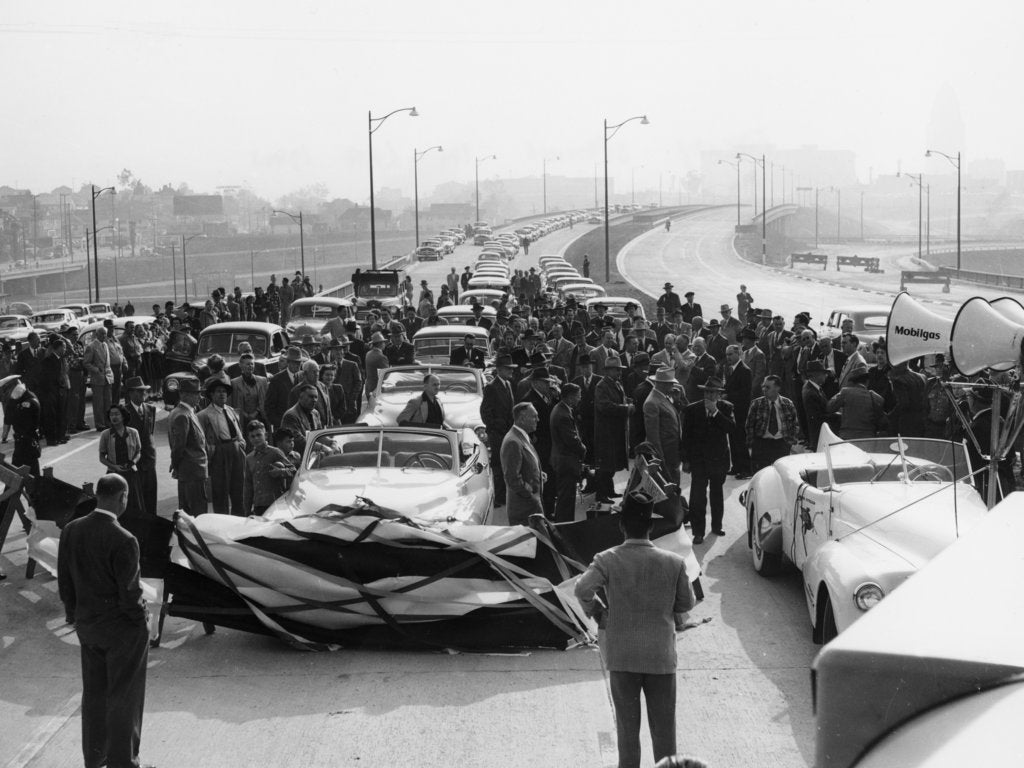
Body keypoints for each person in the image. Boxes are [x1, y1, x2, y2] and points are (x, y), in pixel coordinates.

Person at [574, 492, 696, 768]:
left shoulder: (607, 559)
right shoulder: (674, 562)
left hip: (623, 656)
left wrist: (597, 610)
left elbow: (582, 589)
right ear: (651, 526)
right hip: (660, 657)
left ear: (622, 526)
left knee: (627, 736)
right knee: (665, 735)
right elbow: (686, 603)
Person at [57, 474, 152, 768]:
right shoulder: (124, 539)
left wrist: (74, 616)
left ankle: (95, 758)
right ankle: (123, 762)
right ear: (122, 497)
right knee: (124, 696)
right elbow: (130, 594)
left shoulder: (71, 529)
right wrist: (143, 620)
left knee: (94, 695)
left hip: (88, 627)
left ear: (98, 495)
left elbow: (65, 581)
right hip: (122, 631)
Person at [681, 377, 734, 543]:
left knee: (717, 494)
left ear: (719, 395)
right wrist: (686, 460)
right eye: (707, 392)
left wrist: (715, 412)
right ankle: (698, 532)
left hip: (719, 459)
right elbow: (686, 437)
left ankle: (717, 526)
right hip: (699, 460)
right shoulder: (692, 409)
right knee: (698, 496)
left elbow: (731, 428)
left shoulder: (726, 407)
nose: (710, 395)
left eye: (713, 393)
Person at [197, 377, 247, 515]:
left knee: (239, 488)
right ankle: (222, 520)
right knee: (220, 491)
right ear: (211, 395)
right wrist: (212, 451)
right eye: (218, 391)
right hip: (219, 453)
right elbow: (201, 440)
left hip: (236, 450)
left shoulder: (231, 410)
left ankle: (239, 518)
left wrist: (241, 442)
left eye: (224, 391)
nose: (222, 394)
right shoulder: (204, 415)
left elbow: (238, 429)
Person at [593, 357, 633, 503]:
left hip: (615, 431)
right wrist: (625, 408)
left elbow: (617, 401)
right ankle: (601, 495)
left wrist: (627, 402)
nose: (619, 372)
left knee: (611, 464)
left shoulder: (616, 384)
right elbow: (604, 406)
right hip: (606, 432)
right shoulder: (602, 386)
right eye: (617, 370)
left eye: (619, 370)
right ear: (608, 371)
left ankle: (609, 490)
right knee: (605, 466)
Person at [168, 377, 209, 515]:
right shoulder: (182, 415)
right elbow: (178, 446)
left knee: (191, 510)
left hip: (192, 472)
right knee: (196, 511)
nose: (200, 397)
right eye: (196, 394)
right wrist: (175, 464)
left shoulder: (186, 412)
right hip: (192, 472)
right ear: (184, 395)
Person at [520, 367, 558, 516]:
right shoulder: (529, 399)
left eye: (548, 382)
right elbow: (525, 423)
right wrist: (532, 436)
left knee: (550, 476)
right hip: (539, 445)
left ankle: (549, 508)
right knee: (542, 477)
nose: (548, 385)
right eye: (544, 382)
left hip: (549, 443)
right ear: (535, 383)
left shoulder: (547, 396)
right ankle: (544, 511)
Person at [746, 375, 802, 473]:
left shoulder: (788, 403)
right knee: (761, 474)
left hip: (781, 444)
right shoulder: (756, 404)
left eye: (767, 387)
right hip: (762, 444)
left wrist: (789, 442)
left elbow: (795, 424)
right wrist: (752, 445)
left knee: (781, 474)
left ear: (777, 388)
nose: (764, 389)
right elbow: (749, 425)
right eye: (763, 386)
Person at [500, 402, 545, 525]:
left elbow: (525, 463)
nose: (538, 420)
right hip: (524, 511)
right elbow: (512, 478)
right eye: (534, 416)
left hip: (530, 508)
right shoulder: (513, 442)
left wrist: (538, 474)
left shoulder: (522, 436)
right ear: (522, 418)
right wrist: (530, 494)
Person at [98, 404, 144, 522]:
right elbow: (102, 457)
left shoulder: (133, 432)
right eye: (111, 415)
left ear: (123, 416)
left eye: (117, 414)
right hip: (114, 475)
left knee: (134, 504)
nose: (114, 417)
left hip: (131, 474)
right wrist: (114, 466)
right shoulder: (105, 434)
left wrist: (133, 462)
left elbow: (138, 452)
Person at [481, 354, 516, 507]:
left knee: (506, 463)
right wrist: (495, 426)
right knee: (497, 465)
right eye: (508, 368)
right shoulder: (491, 387)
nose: (511, 371)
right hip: (497, 433)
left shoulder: (508, 384)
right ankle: (498, 497)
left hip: (507, 432)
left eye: (511, 368)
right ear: (499, 369)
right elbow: (485, 412)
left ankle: (504, 495)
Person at [550, 382, 586, 522]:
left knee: (565, 499)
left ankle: (563, 524)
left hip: (562, 460)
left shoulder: (561, 409)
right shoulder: (563, 414)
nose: (580, 399)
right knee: (566, 500)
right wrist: (583, 449)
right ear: (570, 397)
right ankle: (564, 527)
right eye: (578, 396)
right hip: (566, 462)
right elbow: (572, 440)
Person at [242, 421, 295, 515]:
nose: (256, 438)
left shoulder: (275, 452)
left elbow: (293, 470)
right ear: (249, 438)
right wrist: (247, 510)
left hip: (275, 504)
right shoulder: (249, 458)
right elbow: (248, 486)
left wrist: (281, 471)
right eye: (252, 436)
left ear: (265, 435)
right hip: (258, 505)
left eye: (259, 435)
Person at [123, 377, 158, 517]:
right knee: (136, 502)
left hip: (149, 461)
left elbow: (150, 434)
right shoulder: (123, 412)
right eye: (139, 391)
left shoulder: (151, 409)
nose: (144, 393)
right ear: (131, 393)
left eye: (144, 390)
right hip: (134, 464)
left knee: (151, 500)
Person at [643, 368, 682, 486]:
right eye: (671, 383)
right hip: (665, 455)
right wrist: (660, 459)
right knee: (667, 486)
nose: (673, 386)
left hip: (671, 452)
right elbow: (653, 436)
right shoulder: (652, 402)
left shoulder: (663, 397)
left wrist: (678, 400)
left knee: (673, 484)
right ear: (662, 384)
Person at [827, 367, 884, 439]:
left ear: (852, 382)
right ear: (867, 381)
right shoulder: (876, 397)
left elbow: (829, 407)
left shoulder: (845, 392)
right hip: (868, 439)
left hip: (847, 437)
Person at [723, 344, 753, 479]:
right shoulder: (731, 369)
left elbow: (745, 393)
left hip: (741, 410)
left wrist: (728, 396)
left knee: (740, 439)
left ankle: (746, 469)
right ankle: (736, 466)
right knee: (733, 438)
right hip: (732, 410)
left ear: (738, 354)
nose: (728, 357)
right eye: (727, 355)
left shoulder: (744, 370)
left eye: (730, 354)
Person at [1, 375, 41, 475]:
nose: (7, 395)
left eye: (8, 392)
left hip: (28, 443)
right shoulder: (16, 399)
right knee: (16, 473)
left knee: (31, 474)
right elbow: (8, 418)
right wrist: (4, 436)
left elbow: (19, 420)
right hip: (20, 443)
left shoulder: (29, 402)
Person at [83, 326, 115, 430]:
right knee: (98, 403)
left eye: (105, 333)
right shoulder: (91, 346)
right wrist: (96, 369)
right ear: (97, 334)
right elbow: (86, 363)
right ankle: (100, 424)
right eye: (102, 333)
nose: (104, 336)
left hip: (108, 377)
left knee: (108, 402)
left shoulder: (105, 344)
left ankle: (108, 422)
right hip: (97, 379)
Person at [265, 346, 303, 431]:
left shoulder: (302, 377)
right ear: (288, 362)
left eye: (299, 362)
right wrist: (279, 423)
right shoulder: (276, 380)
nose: (298, 365)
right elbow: (269, 406)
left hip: (300, 427)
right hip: (283, 428)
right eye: (295, 362)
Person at [230, 352, 268, 433]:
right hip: (242, 421)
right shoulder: (234, 383)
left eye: (252, 364)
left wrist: (255, 412)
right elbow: (233, 404)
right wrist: (245, 415)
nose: (250, 366)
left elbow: (265, 401)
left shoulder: (262, 381)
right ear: (240, 365)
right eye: (247, 364)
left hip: (259, 419)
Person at [281, 384, 324, 453]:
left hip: (312, 454)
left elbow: (320, 435)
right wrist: (322, 447)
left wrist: (332, 442)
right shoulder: (290, 415)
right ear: (301, 397)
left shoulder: (315, 413)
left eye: (316, 397)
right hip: (297, 456)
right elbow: (298, 441)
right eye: (311, 396)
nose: (314, 400)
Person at [801, 360, 831, 450]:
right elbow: (818, 417)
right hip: (819, 437)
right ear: (816, 375)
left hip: (819, 435)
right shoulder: (811, 392)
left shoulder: (813, 387)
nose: (826, 376)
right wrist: (838, 415)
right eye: (824, 373)